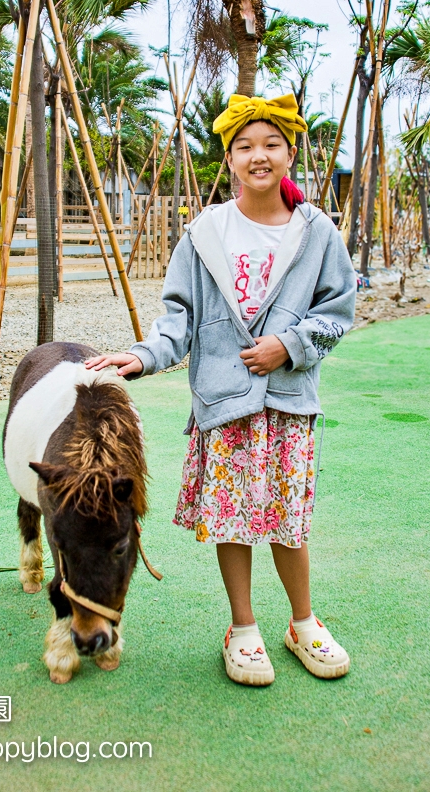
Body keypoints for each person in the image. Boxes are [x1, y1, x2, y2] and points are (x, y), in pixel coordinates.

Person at [85, 94, 356, 687]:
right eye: (244, 147)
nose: (258, 156)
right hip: (224, 405)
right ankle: (243, 628)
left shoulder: (318, 232)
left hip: (287, 404)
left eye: (271, 144)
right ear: (229, 158)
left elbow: (338, 311)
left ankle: (303, 622)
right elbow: (176, 320)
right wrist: (141, 354)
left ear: (290, 152)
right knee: (232, 520)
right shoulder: (205, 233)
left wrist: (291, 344)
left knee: (287, 520)